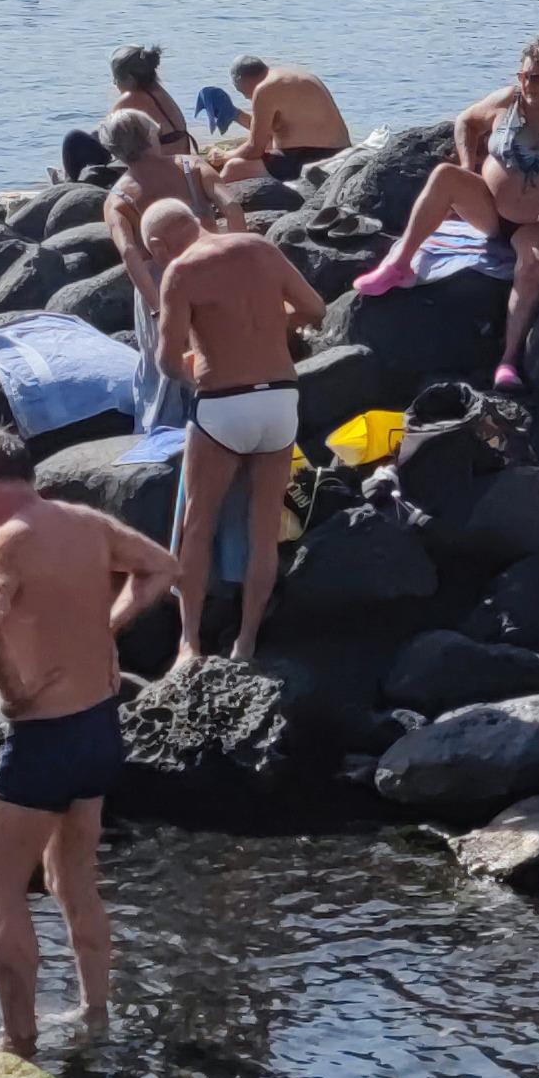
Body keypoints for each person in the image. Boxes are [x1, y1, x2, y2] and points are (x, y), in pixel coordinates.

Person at [0, 428, 176, 1059]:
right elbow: (163, 567)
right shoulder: (86, 523)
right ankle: (94, 1011)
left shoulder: (1, 543)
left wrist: (8, 694)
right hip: (100, 727)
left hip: (45, 735)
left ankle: (17, 1042)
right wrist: (106, 627)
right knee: (71, 878)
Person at [351, 31, 539, 392]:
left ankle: (508, 360)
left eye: (537, 77)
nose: (527, 84)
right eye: (523, 76)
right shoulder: (509, 100)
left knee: (530, 269)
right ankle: (398, 264)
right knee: (444, 176)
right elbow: (466, 121)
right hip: (489, 211)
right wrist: (468, 163)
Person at [157, 221, 326, 669]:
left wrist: (195, 365)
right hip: (279, 400)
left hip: (224, 406)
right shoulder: (260, 247)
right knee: (263, 528)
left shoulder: (180, 271)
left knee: (198, 524)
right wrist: (274, 330)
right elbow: (315, 306)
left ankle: (189, 642)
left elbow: (168, 360)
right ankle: (246, 642)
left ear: (157, 244)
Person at [103, 110, 244, 312]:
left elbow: (128, 252)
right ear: (152, 134)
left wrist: (156, 307)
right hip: (212, 267)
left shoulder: (117, 199)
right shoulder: (191, 166)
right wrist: (238, 258)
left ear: (114, 151)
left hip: (165, 287)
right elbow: (231, 206)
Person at [215, 56, 353, 184]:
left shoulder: (264, 89)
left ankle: (209, 206)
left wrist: (226, 156)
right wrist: (237, 115)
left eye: (242, 93)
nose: (247, 98)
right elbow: (274, 129)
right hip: (342, 151)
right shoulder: (300, 76)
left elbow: (254, 149)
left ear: (240, 80)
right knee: (268, 145)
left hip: (310, 159)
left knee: (234, 167)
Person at [62, 45, 192, 180]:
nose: (114, 83)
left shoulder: (130, 98)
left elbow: (107, 134)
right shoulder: (160, 93)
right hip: (178, 167)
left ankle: (71, 184)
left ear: (129, 78)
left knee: (74, 139)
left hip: (159, 174)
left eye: (116, 79)